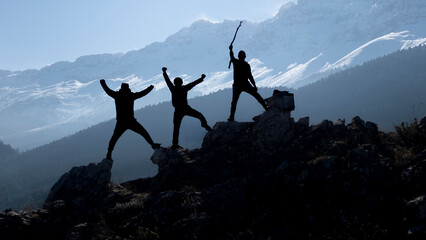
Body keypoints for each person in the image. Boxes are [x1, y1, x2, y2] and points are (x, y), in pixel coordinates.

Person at [100, 79, 160, 159]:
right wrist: (151, 87)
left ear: (121, 88)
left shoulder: (117, 95)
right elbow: (142, 93)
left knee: (114, 138)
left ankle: (109, 153)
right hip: (131, 121)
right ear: (128, 88)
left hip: (121, 122)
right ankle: (153, 145)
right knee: (143, 132)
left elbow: (107, 90)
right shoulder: (130, 96)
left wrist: (103, 83)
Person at [162, 67, 212, 149]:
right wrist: (201, 78)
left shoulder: (173, 88)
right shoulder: (184, 88)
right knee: (199, 115)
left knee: (176, 128)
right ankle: (204, 124)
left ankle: (175, 144)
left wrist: (164, 72)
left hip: (178, 110)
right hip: (186, 108)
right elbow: (194, 83)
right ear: (181, 82)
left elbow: (167, 81)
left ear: (175, 83)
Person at [228, 45, 268, 121]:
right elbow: (250, 76)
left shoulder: (236, 62)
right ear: (244, 56)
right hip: (245, 84)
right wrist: (254, 85)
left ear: (239, 56)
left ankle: (231, 117)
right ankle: (265, 106)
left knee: (234, 102)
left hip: (238, 85)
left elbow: (231, 56)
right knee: (257, 96)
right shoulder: (246, 65)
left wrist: (231, 49)